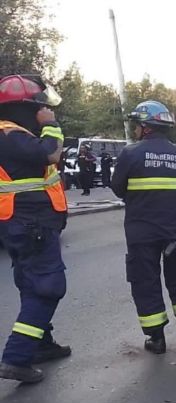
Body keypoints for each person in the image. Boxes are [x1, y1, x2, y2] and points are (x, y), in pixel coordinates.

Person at [111, 100, 176, 354]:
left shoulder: (130, 154)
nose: (135, 130)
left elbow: (118, 187)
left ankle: (156, 338)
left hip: (141, 232)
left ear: (145, 127)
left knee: (145, 282)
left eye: (136, 126)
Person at [0, 74, 72, 383]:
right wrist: (50, 124)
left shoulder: (13, 135)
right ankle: (16, 358)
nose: (45, 110)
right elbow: (50, 154)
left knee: (32, 284)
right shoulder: (10, 134)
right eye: (40, 107)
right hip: (31, 223)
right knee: (48, 287)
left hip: (26, 223)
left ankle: (41, 344)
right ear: (26, 108)